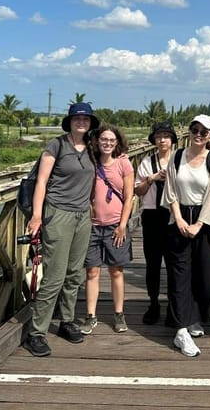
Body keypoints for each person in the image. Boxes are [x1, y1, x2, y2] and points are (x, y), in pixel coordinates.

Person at [23, 102, 99, 357]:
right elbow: (41, 182)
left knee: (74, 273)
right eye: (77, 118)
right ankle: (36, 332)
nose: (82, 122)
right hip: (58, 214)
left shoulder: (91, 147)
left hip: (82, 217)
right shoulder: (57, 145)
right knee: (54, 275)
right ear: (69, 121)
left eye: (86, 119)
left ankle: (67, 320)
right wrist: (36, 216)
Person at [162, 115, 210, 357]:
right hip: (178, 217)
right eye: (195, 129)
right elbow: (171, 190)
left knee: (203, 275)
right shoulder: (177, 157)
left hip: (204, 220)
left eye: (204, 132)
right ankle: (180, 330)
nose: (199, 134)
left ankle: (193, 317)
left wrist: (199, 223)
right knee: (179, 275)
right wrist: (178, 218)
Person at [80, 124, 134, 335]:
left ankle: (119, 314)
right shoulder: (90, 162)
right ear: (96, 141)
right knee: (92, 271)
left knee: (116, 271)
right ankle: (90, 316)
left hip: (115, 226)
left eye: (112, 140)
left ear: (117, 143)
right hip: (92, 226)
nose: (108, 143)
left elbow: (129, 197)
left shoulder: (123, 163)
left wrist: (122, 225)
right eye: (104, 140)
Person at [134, 122, 177, 325]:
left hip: (172, 215)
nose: (162, 140)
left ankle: (172, 304)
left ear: (172, 140)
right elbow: (138, 191)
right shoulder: (146, 162)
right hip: (151, 215)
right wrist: (151, 178)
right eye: (159, 136)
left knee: (173, 263)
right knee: (153, 263)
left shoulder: (180, 160)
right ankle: (153, 303)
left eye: (166, 136)